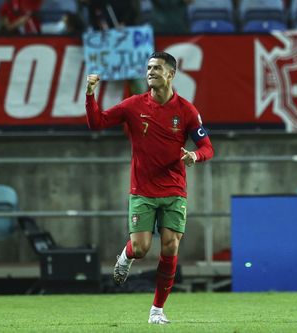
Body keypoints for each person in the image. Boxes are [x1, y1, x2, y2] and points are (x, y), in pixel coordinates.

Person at [85, 52, 214, 324]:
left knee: (170, 246)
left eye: (157, 68)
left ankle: (157, 310)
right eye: (148, 67)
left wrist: (194, 156)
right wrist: (89, 95)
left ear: (171, 74)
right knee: (141, 248)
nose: (151, 71)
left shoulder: (186, 110)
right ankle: (126, 255)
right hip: (142, 190)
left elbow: (207, 147)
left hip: (174, 189)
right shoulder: (133, 105)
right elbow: (97, 123)